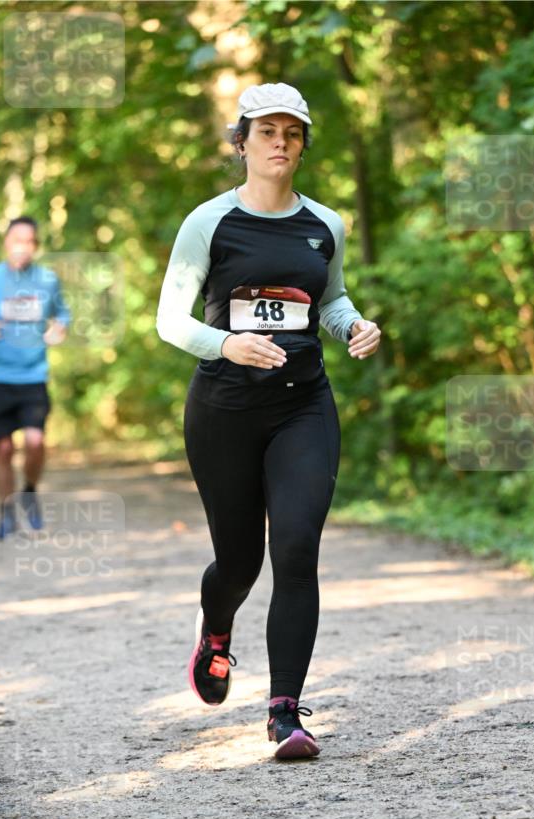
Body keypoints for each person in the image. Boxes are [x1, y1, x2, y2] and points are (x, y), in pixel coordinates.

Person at [156, 82, 381, 760]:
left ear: (303, 144)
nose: (279, 143)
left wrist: (354, 326)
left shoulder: (326, 225)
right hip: (223, 408)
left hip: (301, 406)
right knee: (239, 561)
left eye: (291, 133)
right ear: (242, 142)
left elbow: (331, 300)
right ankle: (215, 628)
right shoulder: (209, 223)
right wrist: (225, 343)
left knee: (295, 546)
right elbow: (169, 320)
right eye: (265, 132)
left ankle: (285, 713)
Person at [0, 216, 70, 539]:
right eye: (17, 240)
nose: (22, 247)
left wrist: (60, 327)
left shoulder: (47, 280)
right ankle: (7, 514)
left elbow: (63, 313)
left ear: (36, 247)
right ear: (6, 242)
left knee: (35, 441)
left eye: (29, 241)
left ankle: (29, 489)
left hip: (33, 376)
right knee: (2, 449)